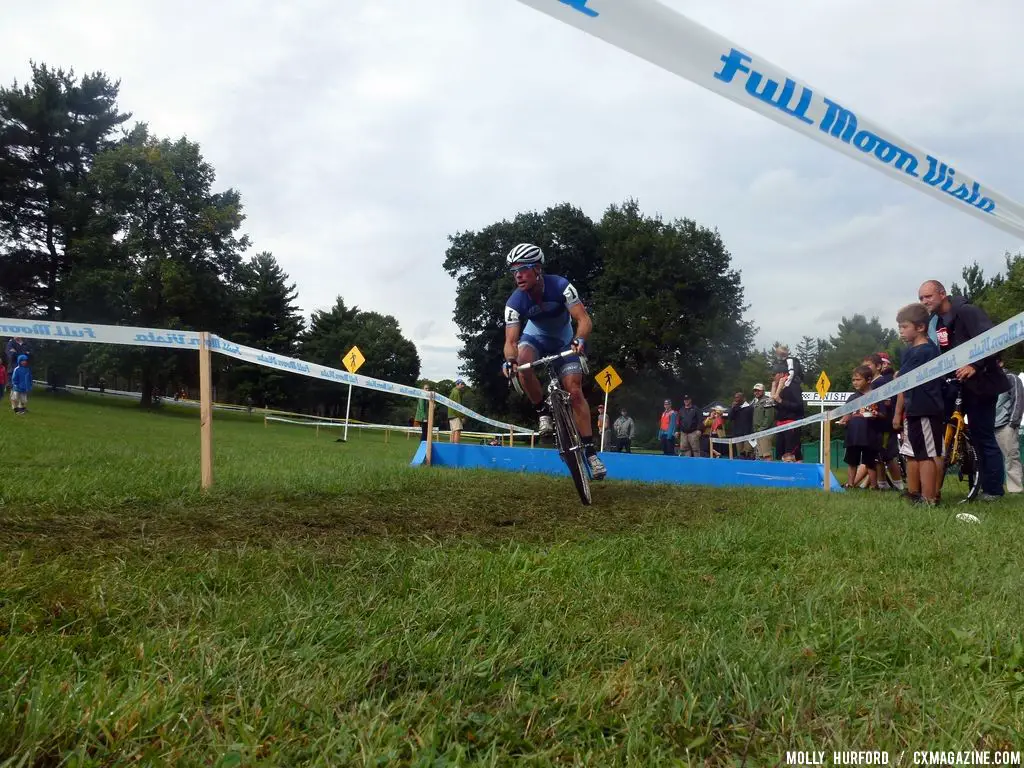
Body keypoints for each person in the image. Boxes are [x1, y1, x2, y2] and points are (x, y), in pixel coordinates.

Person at [501, 243, 606, 480]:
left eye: (524, 269)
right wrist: (510, 360)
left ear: (538, 269)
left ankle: (590, 453)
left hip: (563, 340)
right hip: (534, 338)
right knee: (522, 362)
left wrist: (579, 339)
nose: (518, 275)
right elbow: (511, 340)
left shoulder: (561, 286)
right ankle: (542, 411)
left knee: (575, 390)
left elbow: (584, 319)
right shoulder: (514, 302)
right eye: (514, 271)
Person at [919, 280, 1008, 501]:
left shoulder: (967, 311)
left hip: (982, 382)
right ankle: (938, 485)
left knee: (983, 435)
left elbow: (991, 339)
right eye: (921, 298)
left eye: (928, 296)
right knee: (944, 427)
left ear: (942, 294)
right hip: (955, 384)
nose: (924, 301)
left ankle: (993, 489)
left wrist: (975, 366)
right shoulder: (935, 322)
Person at [892, 303, 945, 505]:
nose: (901, 332)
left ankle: (929, 497)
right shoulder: (908, 352)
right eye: (900, 327)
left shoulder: (926, 351)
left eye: (905, 327)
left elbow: (901, 377)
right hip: (913, 408)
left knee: (927, 455)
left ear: (920, 327)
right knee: (917, 453)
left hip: (926, 408)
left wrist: (898, 376)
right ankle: (917, 494)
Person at [863, 353, 903, 489]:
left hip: (885, 425)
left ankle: (898, 484)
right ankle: (882, 484)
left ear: (879, 366)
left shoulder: (882, 382)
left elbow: (888, 403)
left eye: (869, 366)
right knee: (877, 457)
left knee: (888, 456)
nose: (866, 368)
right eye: (864, 366)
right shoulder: (872, 384)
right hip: (874, 426)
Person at [838, 365, 881, 489]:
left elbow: (883, 413)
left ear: (868, 380)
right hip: (853, 435)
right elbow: (847, 414)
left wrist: (876, 414)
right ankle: (850, 484)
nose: (855, 382)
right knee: (852, 461)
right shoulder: (852, 398)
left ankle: (874, 486)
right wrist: (844, 420)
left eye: (858, 380)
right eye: (853, 380)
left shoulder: (876, 395)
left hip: (870, 434)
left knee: (870, 462)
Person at [994, 360, 1023, 494]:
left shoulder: (1012, 378)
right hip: (989, 426)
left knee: (1011, 457)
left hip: (1005, 425)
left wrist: (1012, 423)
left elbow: (1018, 400)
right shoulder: (988, 381)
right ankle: (994, 486)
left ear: (1001, 363)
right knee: (993, 459)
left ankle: (1015, 489)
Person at [772, 364, 805, 462]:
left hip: (791, 423)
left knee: (791, 454)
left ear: (782, 374)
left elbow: (799, 406)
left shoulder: (793, 385)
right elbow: (779, 406)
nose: (773, 377)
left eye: (774, 374)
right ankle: (786, 475)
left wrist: (781, 401)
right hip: (780, 424)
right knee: (782, 455)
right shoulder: (781, 387)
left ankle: (797, 475)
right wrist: (775, 401)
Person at [751, 383, 775, 460]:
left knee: (766, 454)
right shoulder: (756, 402)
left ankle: (769, 471)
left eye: (758, 390)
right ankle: (763, 471)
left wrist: (761, 429)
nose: (756, 392)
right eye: (755, 391)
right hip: (758, 432)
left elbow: (769, 418)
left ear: (763, 391)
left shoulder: (768, 401)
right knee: (760, 455)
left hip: (765, 432)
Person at [728, 391, 754, 458]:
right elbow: (730, 418)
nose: (736, 399)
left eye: (738, 397)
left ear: (744, 398)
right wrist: (732, 408)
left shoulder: (750, 408)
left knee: (747, 452)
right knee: (740, 454)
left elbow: (753, 420)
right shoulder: (735, 408)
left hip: (748, 434)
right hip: (738, 434)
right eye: (735, 398)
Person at [447, 378, 467, 443]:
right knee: (457, 431)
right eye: (462, 384)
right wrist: (462, 417)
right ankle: (456, 447)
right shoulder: (457, 392)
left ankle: (452, 447)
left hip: (451, 415)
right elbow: (458, 406)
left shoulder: (453, 391)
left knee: (453, 431)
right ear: (458, 384)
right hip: (455, 415)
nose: (463, 386)